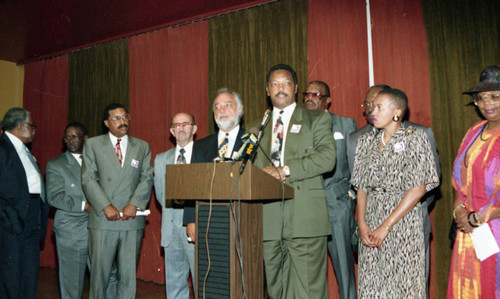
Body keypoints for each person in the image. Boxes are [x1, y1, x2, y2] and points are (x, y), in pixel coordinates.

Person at [253, 64, 336, 299]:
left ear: (296, 88)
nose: (281, 89)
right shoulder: (257, 128)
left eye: (286, 83)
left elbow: (328, 159)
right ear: (267, 90)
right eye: (275, 84)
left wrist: (285, 170)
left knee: (308, 291)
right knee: (276, 291)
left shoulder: (316, 119)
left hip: (305, 220)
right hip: (269, 222)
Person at [347, 84, 441, 294]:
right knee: (372, 285)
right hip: (371, 220)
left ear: (397, 112)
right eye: (372, 107)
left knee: (404, 285)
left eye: (380, 108)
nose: (373, 112)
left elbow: (418, 188)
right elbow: (361, 185)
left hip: (403, 220)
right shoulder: (365, 141)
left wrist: (386, 225)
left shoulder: (415, 137)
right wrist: (362, 223)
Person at [82, 103, 153, 299]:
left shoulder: (142, 146)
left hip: (132, 220)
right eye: (116, 118)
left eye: (124, 117)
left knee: (128, 277)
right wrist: (105, 206)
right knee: (99, 277)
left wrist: (134, 204)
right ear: (106, 123)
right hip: (103, 220)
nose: (122, 122)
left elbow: (147, 178)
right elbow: (88, 178)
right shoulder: (93, 145)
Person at [46, 122, 118, 299]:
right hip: (71, 232)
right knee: (73, 283)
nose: (70, 140)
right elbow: (54, 196)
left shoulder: (98, 161)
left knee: (109, 277)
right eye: (67, 137)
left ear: (85, 138)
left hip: (100, 229)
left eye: (75, 136)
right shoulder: (57, 165)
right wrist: (84, 205)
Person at [447, 65, 500, 298]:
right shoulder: (474, 131)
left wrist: (477, 218)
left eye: (495, 96)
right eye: (482, 98)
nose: (488, 103)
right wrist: (459, 211)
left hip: (494, 227)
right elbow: (458, 178)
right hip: (469, 230)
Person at [303, 80, 357, 299]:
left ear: (328, 101)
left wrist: (350, 196)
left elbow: (357, 166)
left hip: (337, 205)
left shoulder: (345, 125)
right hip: (305, 207)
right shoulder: (296, 128)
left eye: (316, 94)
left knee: (344, 269)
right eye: (306, 94)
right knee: (308, 272)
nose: (309, 98)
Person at [184, 87, 246, 242]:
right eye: (217, 107)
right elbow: (193, 184)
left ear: (239, 110)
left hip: (244, 219)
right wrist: (191, 219)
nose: (221, 110)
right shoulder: (200, 146)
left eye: (227, 105)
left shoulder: (252, 141)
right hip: (208, 221)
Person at [0, 107, 49, 299]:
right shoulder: (3, 148)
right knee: (10, 276)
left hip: (31, 218)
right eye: (32, 125)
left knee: (29, 272)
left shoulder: (25, 151)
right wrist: (6, 216)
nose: (34, 130)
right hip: (11, 221)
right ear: (20, 126)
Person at [154, 112, 197, 299]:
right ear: (171, 131)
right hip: (170, 230)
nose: (181, 128)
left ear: (194, 129)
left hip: (196, 228)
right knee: (175, 285)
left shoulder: (203, 155)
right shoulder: (160, 159)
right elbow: (160, 195)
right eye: (176, 125)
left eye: (185, 124)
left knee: (201, 281)